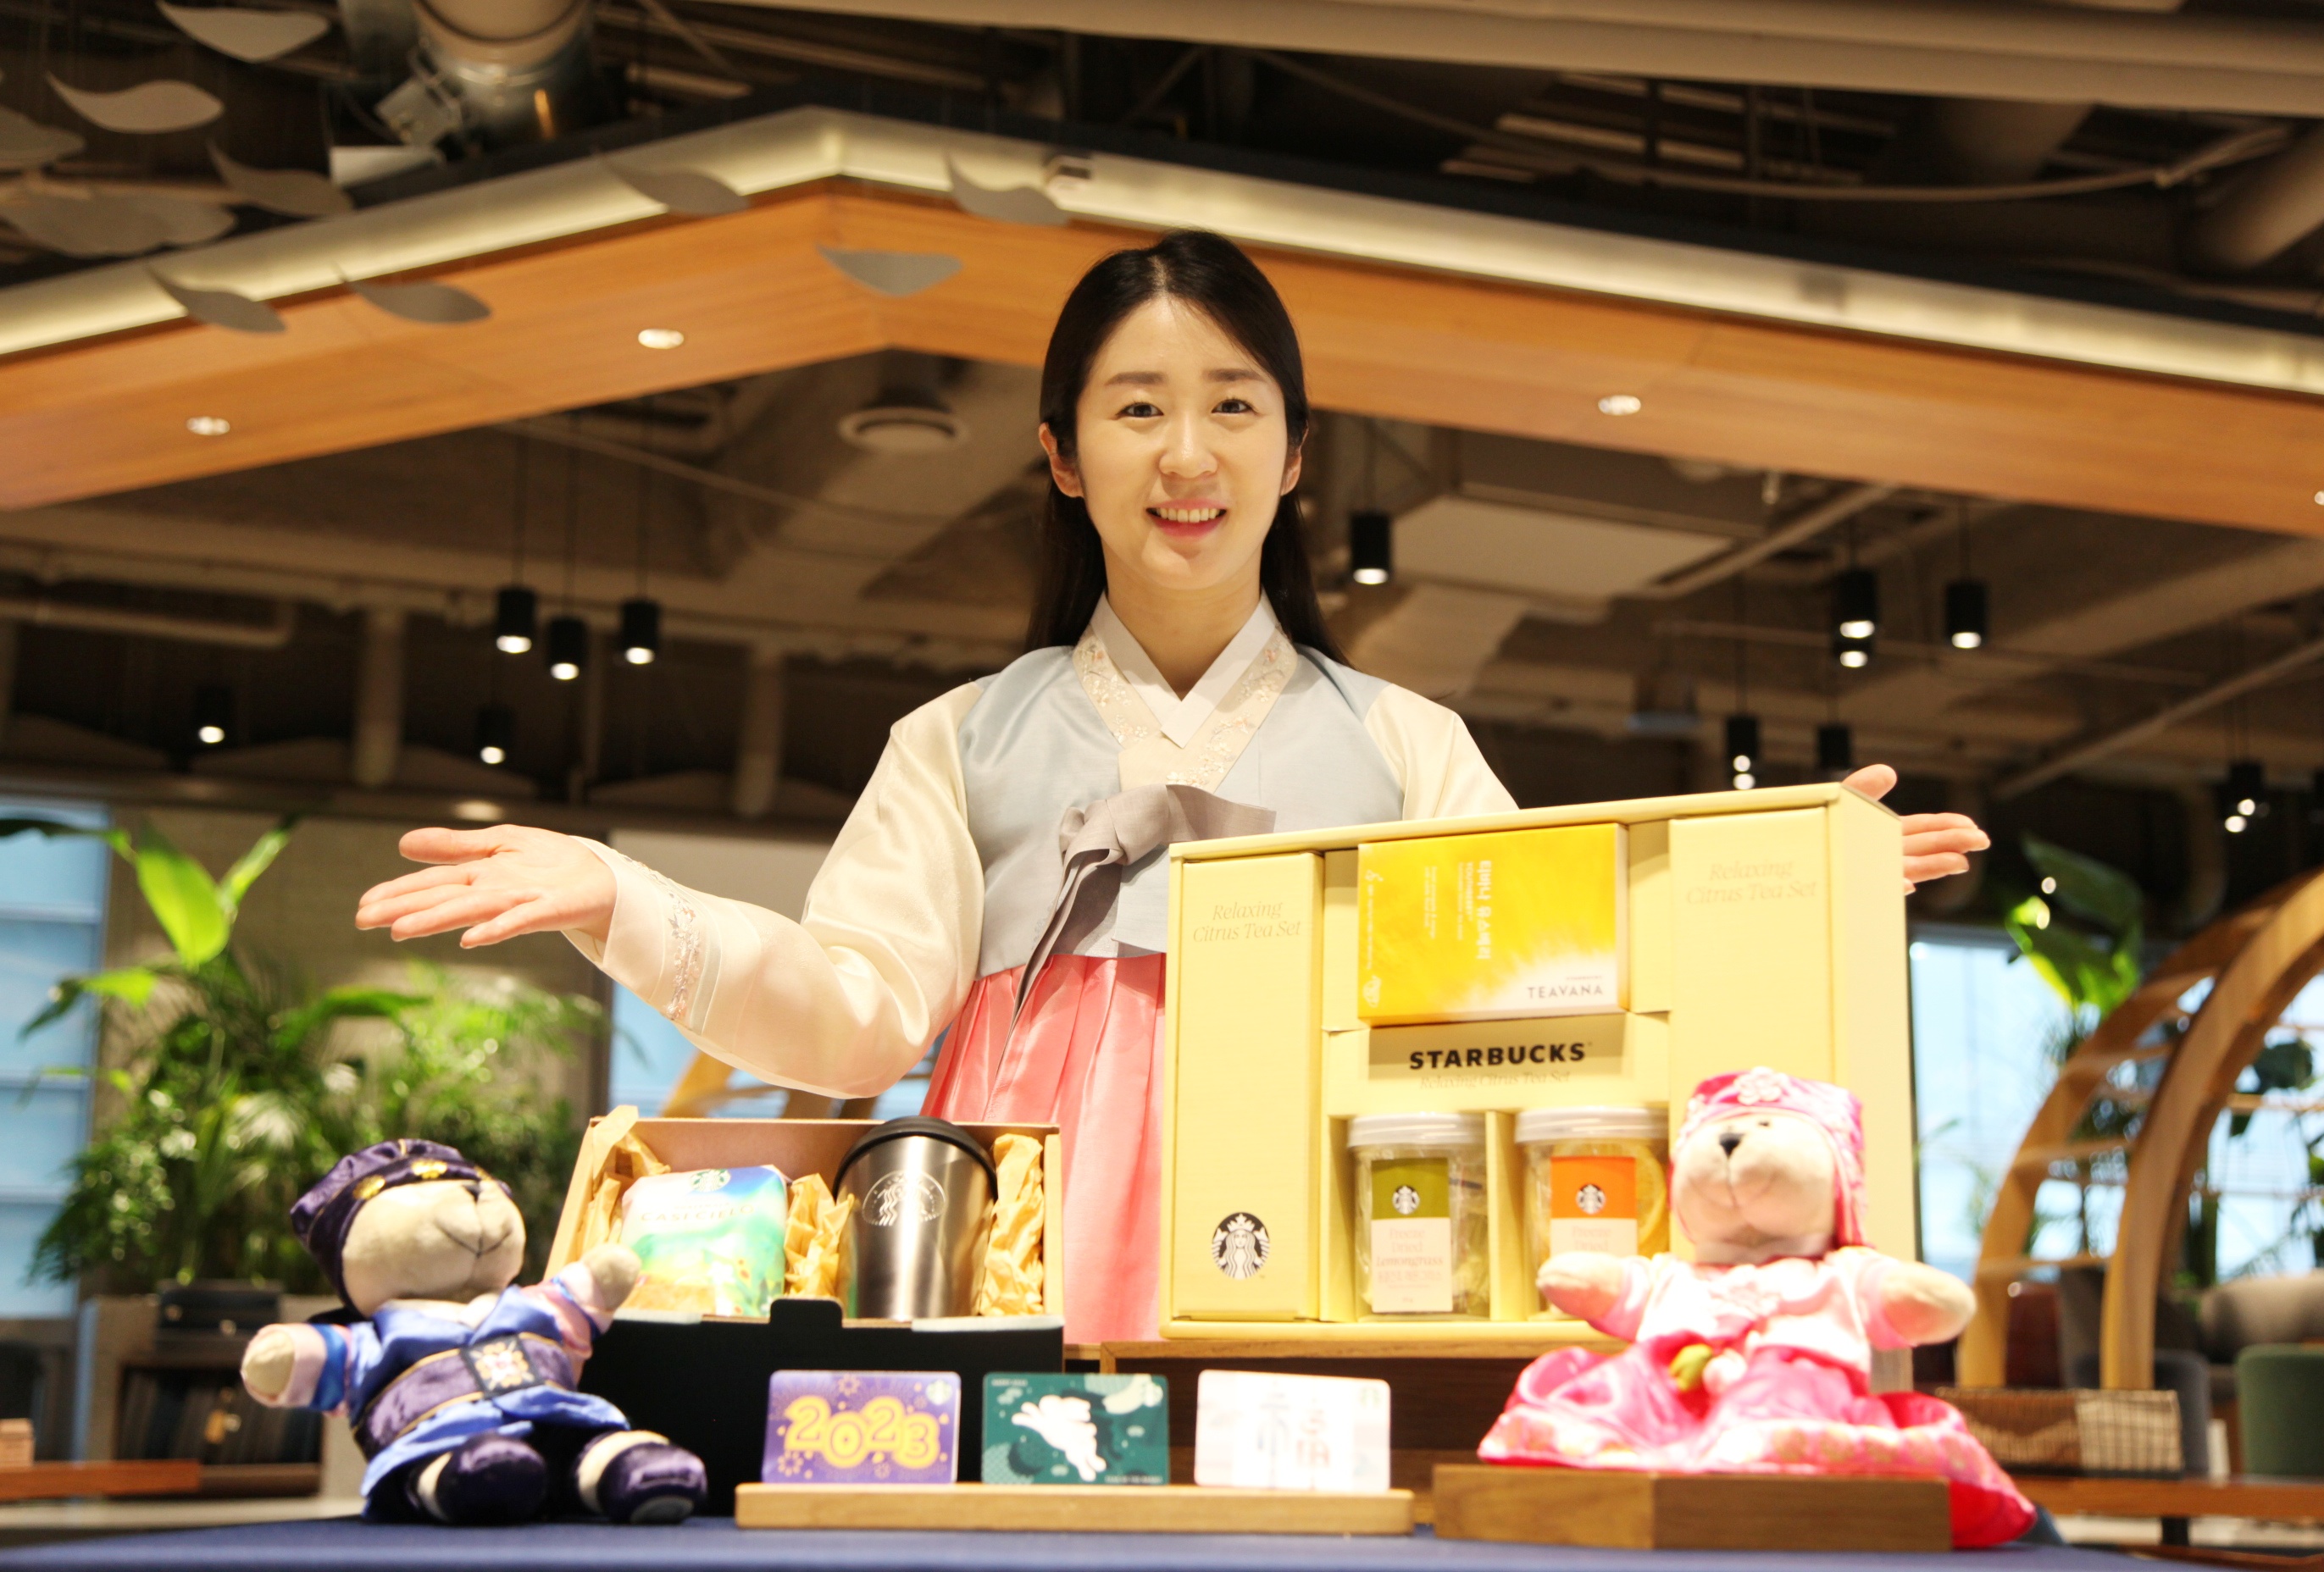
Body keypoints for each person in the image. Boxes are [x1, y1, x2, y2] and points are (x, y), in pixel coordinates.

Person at [355, 230, 1988, 1344]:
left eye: (1232, 408)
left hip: (1340, 1224)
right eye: (1137, 410)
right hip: (1017, 1237)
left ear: (1296, 456)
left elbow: (1556, 990)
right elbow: (854, 1021)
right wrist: (627, 903)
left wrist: (1796, 881)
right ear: (1065, 456)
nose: (1187, 455)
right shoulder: (959, 739)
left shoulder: (1408, 744)